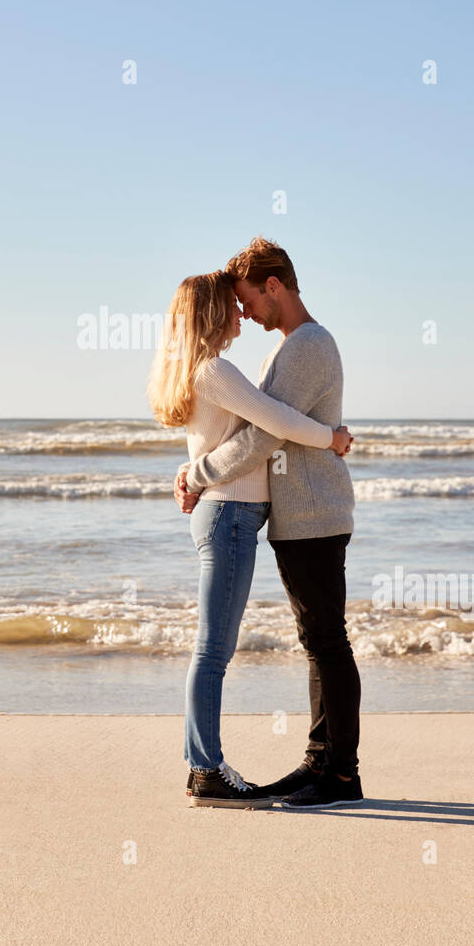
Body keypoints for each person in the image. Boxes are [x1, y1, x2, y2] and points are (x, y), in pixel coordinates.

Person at [147, 270, 352, 808]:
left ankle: (207, 768)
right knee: (213, 651)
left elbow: (227, 436)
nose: (241, 315)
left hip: (229, 516)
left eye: (244, 303)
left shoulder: (207, 369)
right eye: (231, 307)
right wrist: (331, 437)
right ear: (213, 313)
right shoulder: (217, 369)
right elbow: (276, 424)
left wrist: (193, 472)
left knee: (215, 649)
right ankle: (205, 770)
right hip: (229, 517)